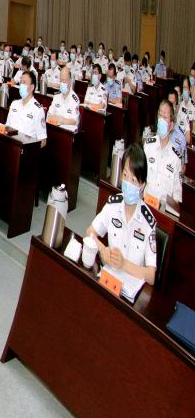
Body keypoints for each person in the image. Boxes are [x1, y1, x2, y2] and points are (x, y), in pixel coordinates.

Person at [86, 144, 158, 286]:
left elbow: (151, 276)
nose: (128, 183)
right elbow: (90, 232)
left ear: (142, 185)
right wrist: (102, 249)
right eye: (125, 175)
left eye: (134, 180)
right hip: (108, 280)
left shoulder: (148, 222)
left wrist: (124, 264)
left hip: (131, 290)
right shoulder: (113, 205)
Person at [7, 71, 47, 144]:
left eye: (24, 83)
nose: (21, 85)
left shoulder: (38, 109)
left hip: (26, 148)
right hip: (10, 144)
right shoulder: (14, 104)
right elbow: (7, 128)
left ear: (32, 87)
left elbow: (43, 141)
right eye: (20, 82)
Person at [47, 65, 80, 132]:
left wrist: (61, 120)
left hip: (66, 132)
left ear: (70, 81)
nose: (62, 83)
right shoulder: (56, 96)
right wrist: (54, 119)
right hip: (54, 129)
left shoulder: (74, 99)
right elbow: (49, 115)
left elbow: (74, 121)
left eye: (64, 81)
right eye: (61, 80)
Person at [178, 78, 194, 145]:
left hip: (186, 141)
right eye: (183, 88)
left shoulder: (193, 106)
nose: (184, 90)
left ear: (190, 90)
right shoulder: (179, 104)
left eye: (186, 88)